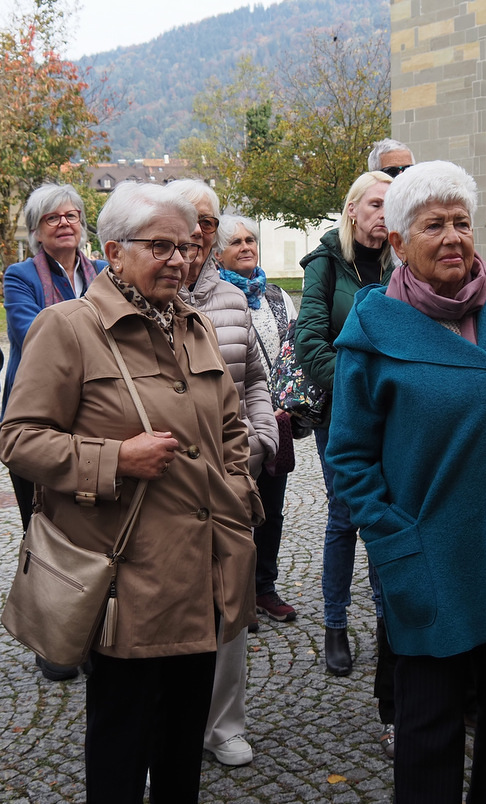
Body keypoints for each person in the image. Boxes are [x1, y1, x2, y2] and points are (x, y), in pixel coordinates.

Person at [0, 181, 260, 803]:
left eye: (187, 246)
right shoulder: (68, 328)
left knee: (182, 747)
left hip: (203, 572)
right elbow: (19, 438)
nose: (179, 259)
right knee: (121, 743)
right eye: (160, 246)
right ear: (114, 252)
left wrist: (238, 497)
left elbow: (231, 428)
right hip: (127, 581)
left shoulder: (193, 324)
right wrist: (116, 458)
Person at [327, 160, 486, 804]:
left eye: (462, 221)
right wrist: (393, 540)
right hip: (430, 558)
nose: (454, 236)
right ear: (398, 242)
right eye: (433, 225)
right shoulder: (374, 327)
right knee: (428, 727)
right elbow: (349, 457)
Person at [172, 179, 278, 769]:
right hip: (167, 485)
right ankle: (169, 728)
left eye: (207, 222)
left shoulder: (233, 299)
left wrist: (261, 442)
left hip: (233, 477)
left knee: (231, 599)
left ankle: (224, 724)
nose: (196, 232)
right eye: (185, 220)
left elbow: (256, 378)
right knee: (169, 606)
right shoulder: (147, 295)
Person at [293, 170, 398, 753]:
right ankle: (336, 622)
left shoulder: (401, 260)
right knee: (344, 515)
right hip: (341, 409)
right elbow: (309, 339)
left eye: (391, 205)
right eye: (375, 204)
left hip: (395, 411)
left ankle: (387, 618)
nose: (384, 214)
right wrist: (358, 387)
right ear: (353, 209)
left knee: (387, 511)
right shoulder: (326, 261)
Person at [1, 182, 106, 683]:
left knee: (92, 530)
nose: (65, 223)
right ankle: (52, 640)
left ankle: (91, 632)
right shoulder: (20, 276)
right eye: (52, 218)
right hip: (38, 420)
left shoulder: (103, 271)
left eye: (72, 215)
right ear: (37, 231)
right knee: (42, 530)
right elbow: (32, 334)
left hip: (95, 418)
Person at [216, 214, 300, 624]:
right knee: (232, 510)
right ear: (217, 254)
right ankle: (233, 595)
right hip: (231, 423)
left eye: (250, 239)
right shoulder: (212, 299)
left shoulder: (278, 297)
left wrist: (286, 403)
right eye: (236, 242)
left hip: (275, 418)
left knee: (272, 509)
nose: (247, 246)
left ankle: (264, 588)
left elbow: (293, 352)